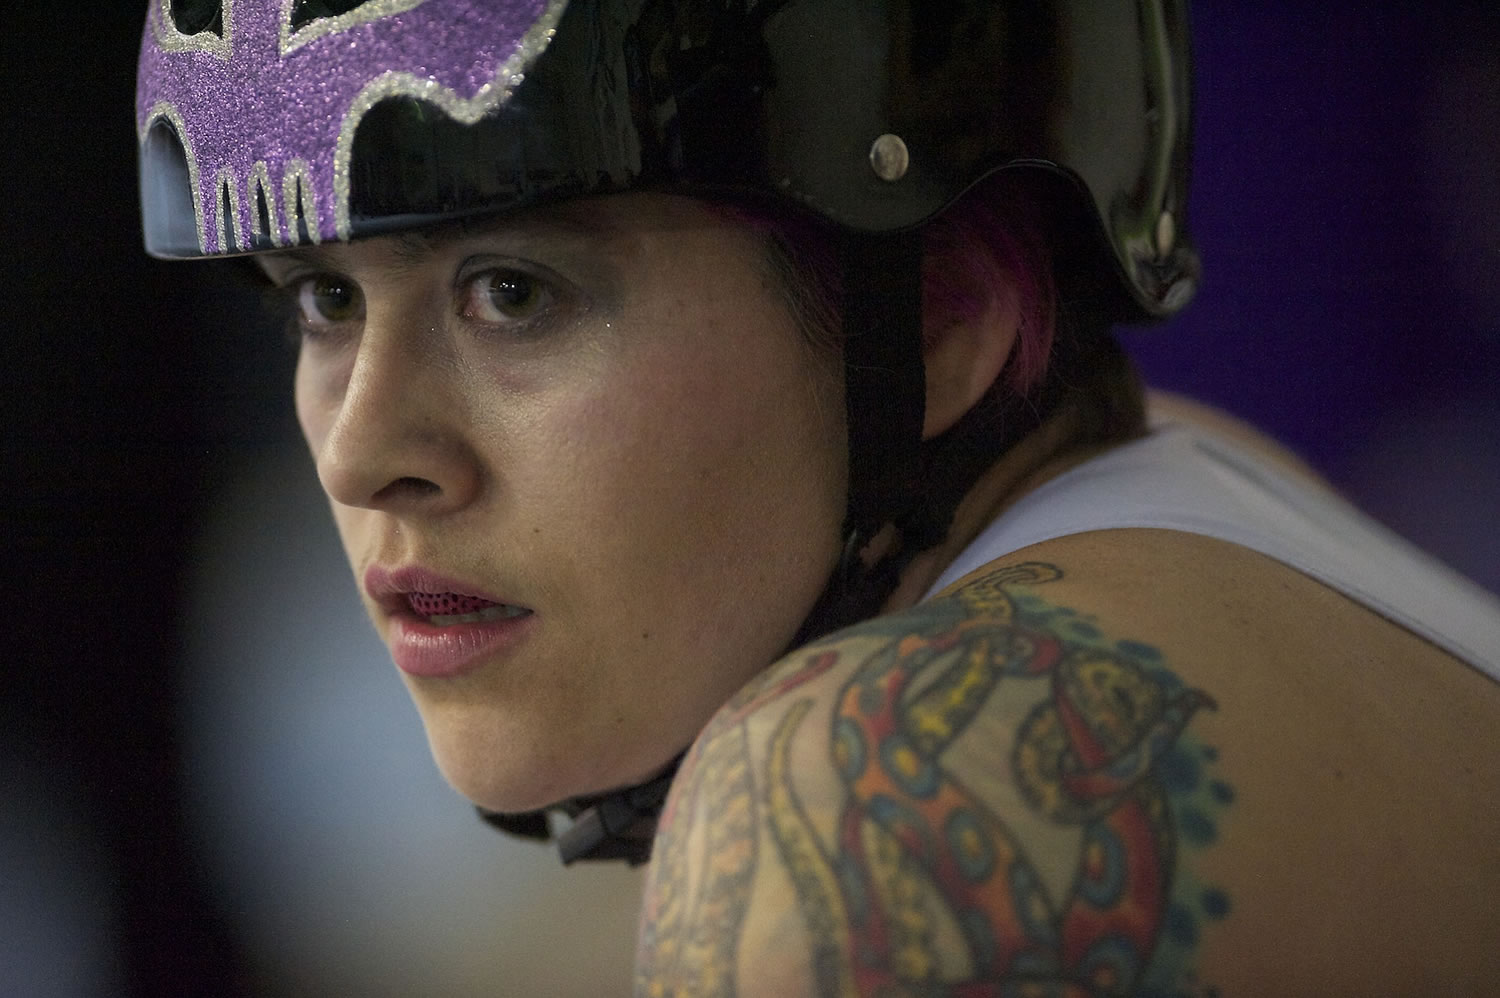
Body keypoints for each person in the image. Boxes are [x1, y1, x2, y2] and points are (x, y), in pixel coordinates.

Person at [137, 0, 1500, 993]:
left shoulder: (865, 800)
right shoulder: (1204, 495)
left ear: (949, 308)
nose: (360, 449)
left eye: (513, 291)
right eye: (322, 299)